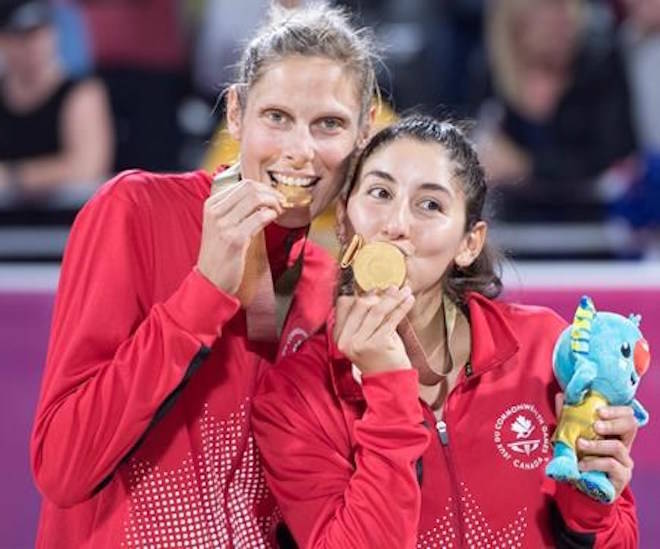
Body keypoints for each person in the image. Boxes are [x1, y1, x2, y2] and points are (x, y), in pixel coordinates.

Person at [29, 4, 376, 548]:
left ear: (362, 134)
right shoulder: (135, 212)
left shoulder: (328, 288)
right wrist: (204, 292)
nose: (299, 151)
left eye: (328, 124)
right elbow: (63, 466)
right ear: (236, 113)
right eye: (277, 117)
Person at [252, 115, 641, 547]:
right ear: (343, 220)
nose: (396, 224)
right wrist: (388, 389)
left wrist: (588, 504)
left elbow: (617, 539)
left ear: (468, 243)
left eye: (430, 205)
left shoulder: (544, 349)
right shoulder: (295, 394)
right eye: (380, 193)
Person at [0, 0, 113, 196]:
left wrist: (14, 176)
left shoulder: (81, 93)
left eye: (40, 34)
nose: (33, 46)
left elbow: (87, 167)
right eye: (21, 37)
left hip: (65, 218)